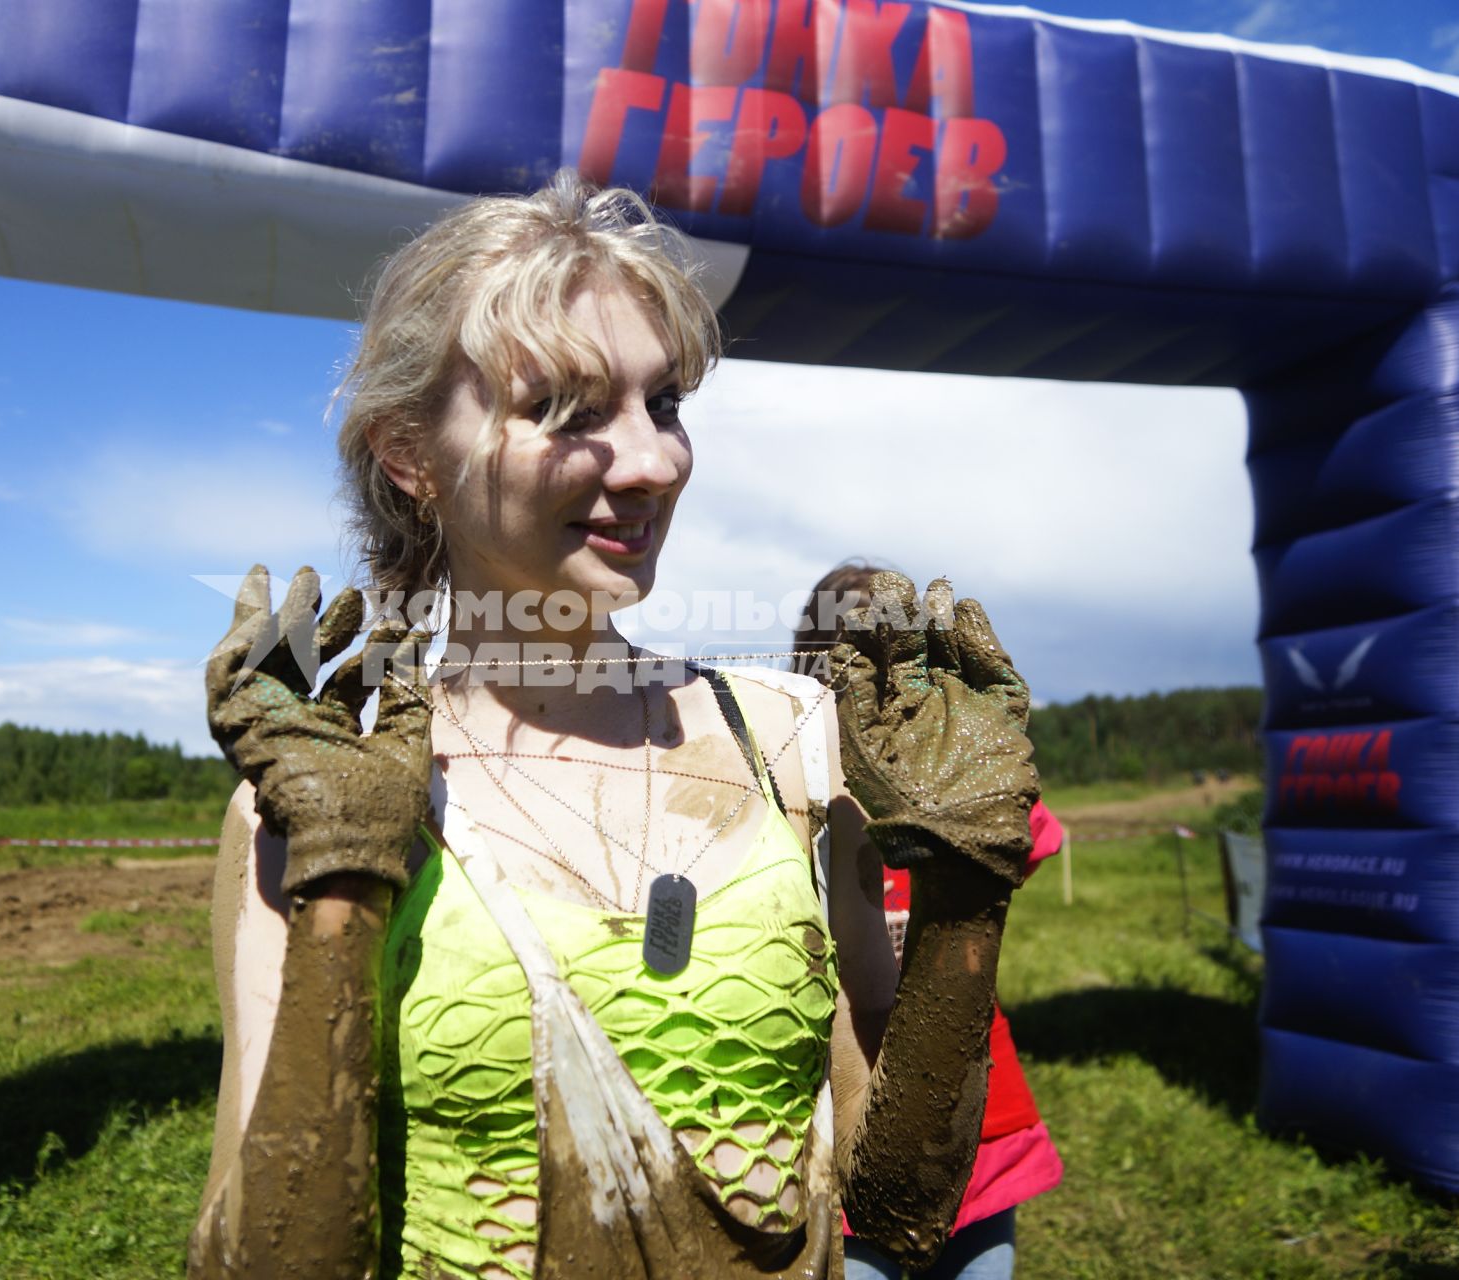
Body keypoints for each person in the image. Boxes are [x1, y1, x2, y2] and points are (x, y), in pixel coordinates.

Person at [188, 172, 1042, 1280]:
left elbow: (899, 1202)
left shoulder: (785, 735)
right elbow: (256, 1252)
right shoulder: (314, 788)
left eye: (663, 402)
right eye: (563, 409)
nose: (651, 461)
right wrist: (344, 878)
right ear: (410, 455)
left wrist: (965, 900)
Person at [797, 563, 1065, 1280]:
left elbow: (1035, 840)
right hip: (839, 1120)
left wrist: (971, 779)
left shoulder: (943, 777)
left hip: (980, 1115)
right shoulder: (792, 801)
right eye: (859, 653)